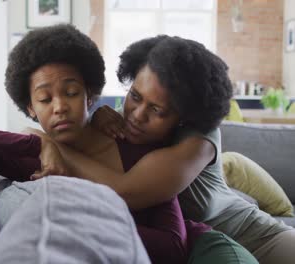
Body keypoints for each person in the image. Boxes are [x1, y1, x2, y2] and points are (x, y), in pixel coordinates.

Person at [0, 25, 256, 263]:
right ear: (29, 107)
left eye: (71, 93)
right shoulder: (31, 152)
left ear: (91, 95)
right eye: (43, 98)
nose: (58, 106)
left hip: (225, 236)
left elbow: (172, 247)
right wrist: (39, 143)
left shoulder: (134, 145)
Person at [78, 35, 295, 264]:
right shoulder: (124, 120)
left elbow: (127, 192)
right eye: (135, 96)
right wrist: (96, 119)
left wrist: (57, 152)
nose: (137, 115)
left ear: (184, 115)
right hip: (204, 249)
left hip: (262, 239)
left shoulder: (200, 137)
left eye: (157, 109)